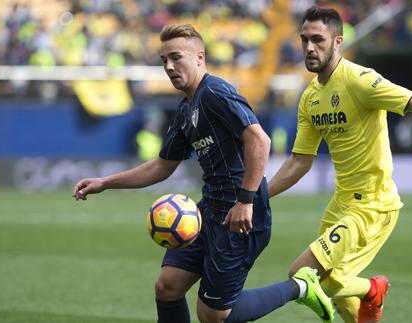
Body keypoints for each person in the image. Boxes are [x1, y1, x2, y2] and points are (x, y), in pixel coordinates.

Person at [73, 24, 334, 323]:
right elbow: (162, 165)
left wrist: (246, 201)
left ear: (200, 57)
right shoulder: (186, 109)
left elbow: (259, 139)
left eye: (176, 57)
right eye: (163, 61)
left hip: (241, 217)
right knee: (167, 286)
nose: (169, 67)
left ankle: (300, 287)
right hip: (208, 211)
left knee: (213, 315)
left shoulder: (215, 92)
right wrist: (106, 183)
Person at [267, 6, 412, 323]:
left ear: (338, 42)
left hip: (371, 205)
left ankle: (372, 289)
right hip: (341, 203)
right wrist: (258, 195)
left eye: (318, 39)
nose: (310, 47)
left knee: (301, 275)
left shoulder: (359, 80)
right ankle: (366, 298)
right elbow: (300, 162)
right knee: (334, 294)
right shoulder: (310, 97)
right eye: (304, 40)